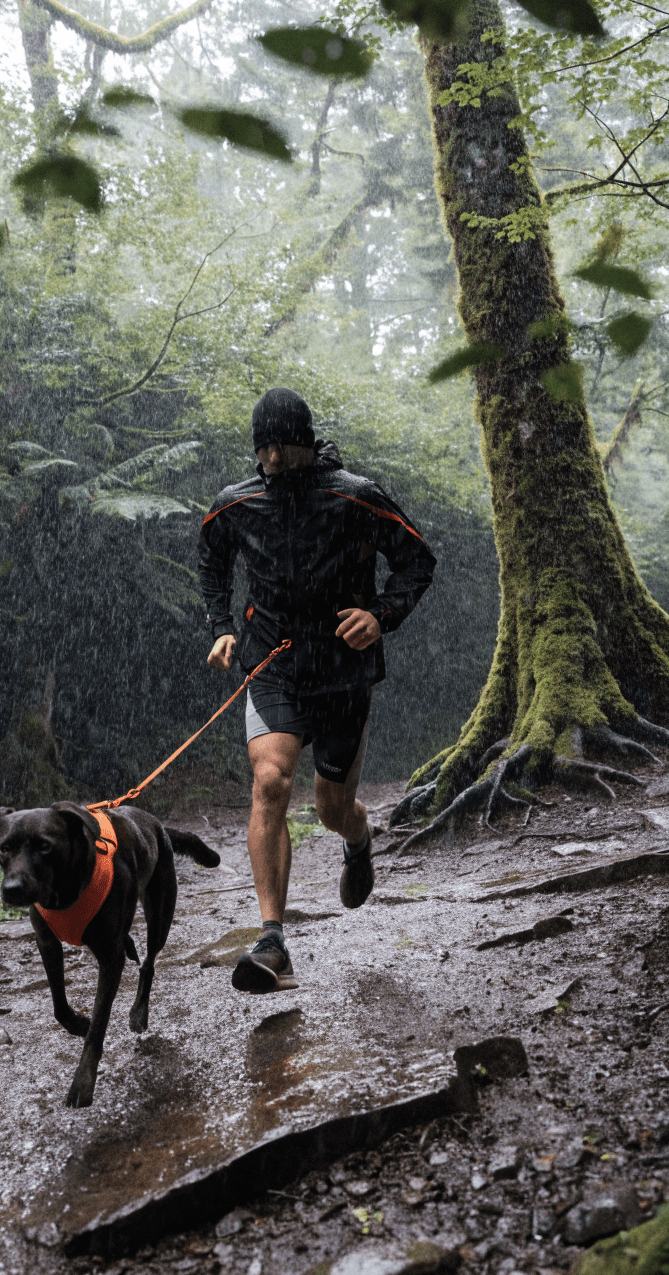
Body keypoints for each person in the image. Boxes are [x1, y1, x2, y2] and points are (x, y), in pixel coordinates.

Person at [198, 387, 436, 994]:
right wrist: (223, 628)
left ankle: (359, 838)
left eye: (281, 448)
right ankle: (272, 939)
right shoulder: (236, 505)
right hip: (272, 664)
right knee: (271, 781)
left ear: (304, 444)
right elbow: (212, 561)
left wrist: (381, 614)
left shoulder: (355, 497)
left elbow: (418, 561)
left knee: (331, 807)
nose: (270, 460)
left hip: (343, 674)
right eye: (263, 449)